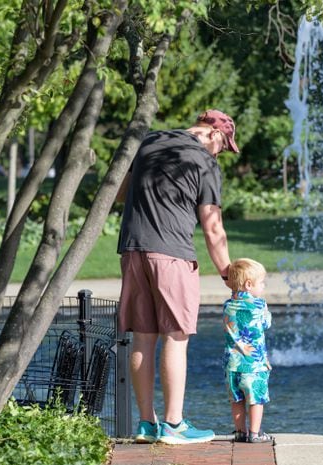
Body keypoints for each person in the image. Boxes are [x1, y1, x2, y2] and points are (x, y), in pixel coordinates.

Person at [117, 109, 239, 445]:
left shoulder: (150, 141)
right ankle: (173, 425)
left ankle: (145, 424)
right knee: (176, 335)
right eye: (224, 146)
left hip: (132, 250)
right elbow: (213, 228)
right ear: (214, 134)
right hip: (172, 254)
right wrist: (228, 274)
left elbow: (120, 194)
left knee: (142, 336)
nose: (221, 154)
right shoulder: (202, 160)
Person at [222, 258, 273, 443]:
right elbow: (266, 324)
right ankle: (254, 433)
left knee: (236, 399)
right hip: (254, 363)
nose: (263, 286)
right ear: (249, 284)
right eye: (261, 282)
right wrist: (266, 310)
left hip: (232, 364)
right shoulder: (259, 305)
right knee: (255, 398)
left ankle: (240, 432)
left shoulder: (227, 305)